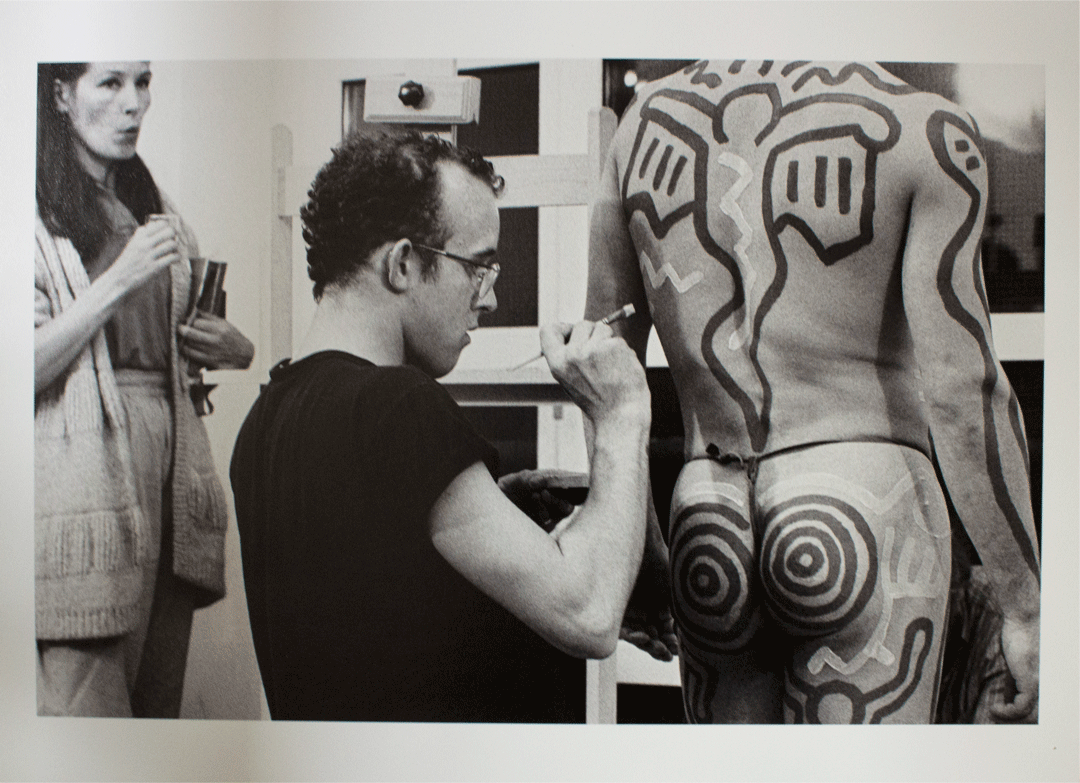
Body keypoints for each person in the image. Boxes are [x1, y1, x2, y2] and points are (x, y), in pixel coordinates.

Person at [586, 60, 1040, 723]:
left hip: (708, 514)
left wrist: (642, 553)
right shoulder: (924, 130)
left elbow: (604, 367)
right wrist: (1024, 608)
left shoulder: (642, 128)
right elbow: (964, 389)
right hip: (862, 508)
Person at [229, 128, 652, 722]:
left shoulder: (266, 417)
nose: (490, 299)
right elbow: (590, 616)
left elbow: (372, 602)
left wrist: (499, 507)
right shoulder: (397, 407)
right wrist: (622, 415)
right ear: (403, 263)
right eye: (478, 267)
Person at [34, 61, 254, 717]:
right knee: (88, 721)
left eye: (144, 82)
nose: (135, 103)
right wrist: (119, 280)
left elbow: (184, 345)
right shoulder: (29, 213)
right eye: (110, 83)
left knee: (157, 715)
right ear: (61, 94)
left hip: (170, 477)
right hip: (79, 482)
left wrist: (234, 348)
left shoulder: (157, 208)